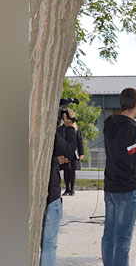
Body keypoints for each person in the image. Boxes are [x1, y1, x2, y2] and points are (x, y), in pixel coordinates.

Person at [101, 88, 136, 266]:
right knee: (123, 239)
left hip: (111, 187)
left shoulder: (110, 123)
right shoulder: (130, 127)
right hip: (127, 189)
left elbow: (123, 148)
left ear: (121, 103)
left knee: (109, 236)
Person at [39, 123, 70, 266]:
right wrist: (70, 127)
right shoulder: (46, 131)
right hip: (51, 197)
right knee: (49, 246)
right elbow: (70, 151)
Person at [58, 109, 84, 195]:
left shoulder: (76, 128)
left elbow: (80, 140)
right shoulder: (61, 129)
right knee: (66, 171)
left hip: (74, 153)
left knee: (72, 171)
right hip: (64, 153)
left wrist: (81, 153)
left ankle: (72, 188)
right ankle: (67, 188)